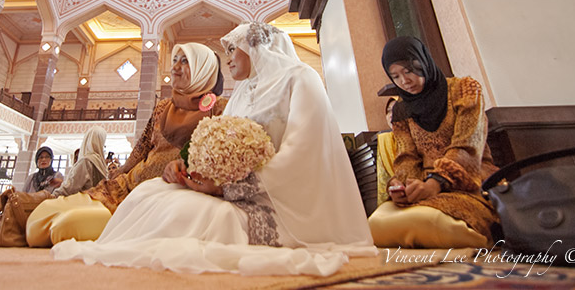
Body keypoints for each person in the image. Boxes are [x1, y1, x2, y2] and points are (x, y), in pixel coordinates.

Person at [52, 22, 375, 276]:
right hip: (227, 188)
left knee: (183, 212)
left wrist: (230, 186)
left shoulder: (301, 79)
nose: (229, 58)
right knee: (149, 193)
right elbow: (215, 142)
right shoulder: (242, 92)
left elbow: (302, 152)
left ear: (258, 49)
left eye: (234, 49)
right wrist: (188, 169)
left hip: (278, 197)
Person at [26, 42, 226, 247]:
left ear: (204, 69)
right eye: (174, 60)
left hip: (158, 196)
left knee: (62, 228)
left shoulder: (219, 110)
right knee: (40, 217)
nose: (175, 67)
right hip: (127, 186)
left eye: (185, 62)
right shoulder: (163, 107)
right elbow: (140, 151)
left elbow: (219, 160)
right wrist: (118, 172)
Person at [367, 36, 499, 248]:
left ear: (423, 61)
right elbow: (406, 157)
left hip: (468, 183)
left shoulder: (464, 90)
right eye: (396, 76)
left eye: (408, 70)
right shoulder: (402, 109)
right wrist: (402, 185)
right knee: (375, 225)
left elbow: (468, 146)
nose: (404, 81)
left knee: (426, 221)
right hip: (422, 187)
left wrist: (436, 182)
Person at [376, 97, 399, 205]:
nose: (391, 114)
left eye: (395, 109)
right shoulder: (384, 141)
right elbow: (383, 178)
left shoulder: (416, 135)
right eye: (388, 111)